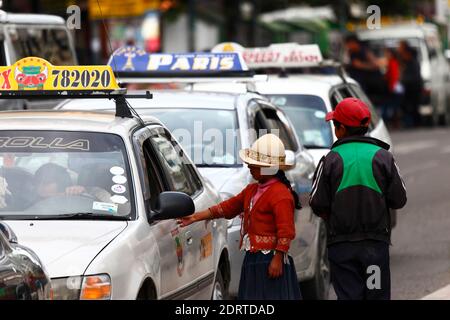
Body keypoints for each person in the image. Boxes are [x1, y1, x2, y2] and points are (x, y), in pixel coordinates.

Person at [178, 133, 302, 300]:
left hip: (271, 260)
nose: (249, 166)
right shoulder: (251, 190)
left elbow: (286, 231)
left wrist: (278, 258)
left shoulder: (281, 195)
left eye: (254, 165)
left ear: (267, 167)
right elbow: (227, 208)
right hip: (253, 258)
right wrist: (195, 217)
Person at [309, 98, 407, 300]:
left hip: (341, 247)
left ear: (341, 129)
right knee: (375, 295)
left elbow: (317, 202)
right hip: (375, 247)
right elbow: (399, 199)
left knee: (348, 295)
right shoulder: (383, 157)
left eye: (335, 124)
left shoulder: (330, 159)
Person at [344, 34, 387, 107]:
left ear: (353, 42)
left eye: (348, 44)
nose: (347, 46)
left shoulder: (365, 51)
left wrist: (361, 65)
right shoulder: (351, 53)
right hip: (360, 86)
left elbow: (376, 65)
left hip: (371, 87)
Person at [398, 41, 423, 127]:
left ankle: (416, 123)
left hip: (413, 88)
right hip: (409, 88)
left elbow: (414, 77)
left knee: (414, 106)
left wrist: (403, 81)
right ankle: (412, 122)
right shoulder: (406, 63)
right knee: (408, 106)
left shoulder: (413, 63)